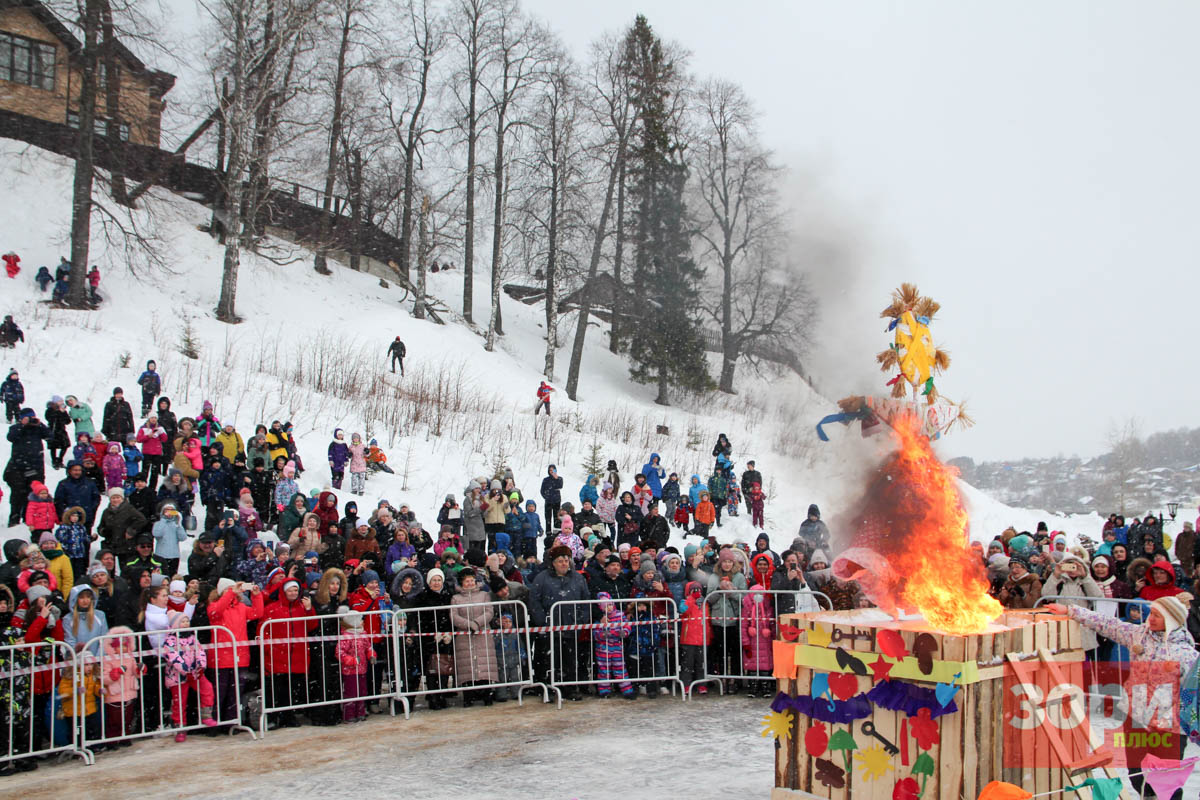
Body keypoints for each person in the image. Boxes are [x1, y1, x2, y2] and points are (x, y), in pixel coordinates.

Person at [1046, 595, 1195, 800]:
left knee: (1167, 779)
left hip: (1169, 725)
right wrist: (1071, 611)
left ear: (1171, 619)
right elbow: (1108, 624)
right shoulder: (1138, 635)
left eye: (1157, 616)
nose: (1150, 618)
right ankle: (1148, 797)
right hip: (1136, 718)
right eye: (1151, 613)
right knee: (1136, 774)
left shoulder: (1186, 654)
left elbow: (1193, 695)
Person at [6, 407, 50, 526]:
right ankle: (14, 519)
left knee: (34, 493)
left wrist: (41, 425)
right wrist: (22, 425)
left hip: (36, 467)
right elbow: (11, 437)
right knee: (17, 494)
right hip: (18, 467)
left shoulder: (37, 428)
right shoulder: (16, 428)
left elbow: (49, 436)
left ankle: (29, 518)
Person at [539, 465, 562, 534]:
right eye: (550, 470)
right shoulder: (546, 479)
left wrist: (556, 479)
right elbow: (542, 490)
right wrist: (546, 497)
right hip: (548, 501)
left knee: (557, 517)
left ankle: (556, 532)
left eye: (553, 470)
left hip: (557, 501)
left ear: (556, 470)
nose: (552, 472)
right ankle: (548, 533)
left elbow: (560, 486)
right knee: (548, 518)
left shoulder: (560, 478)